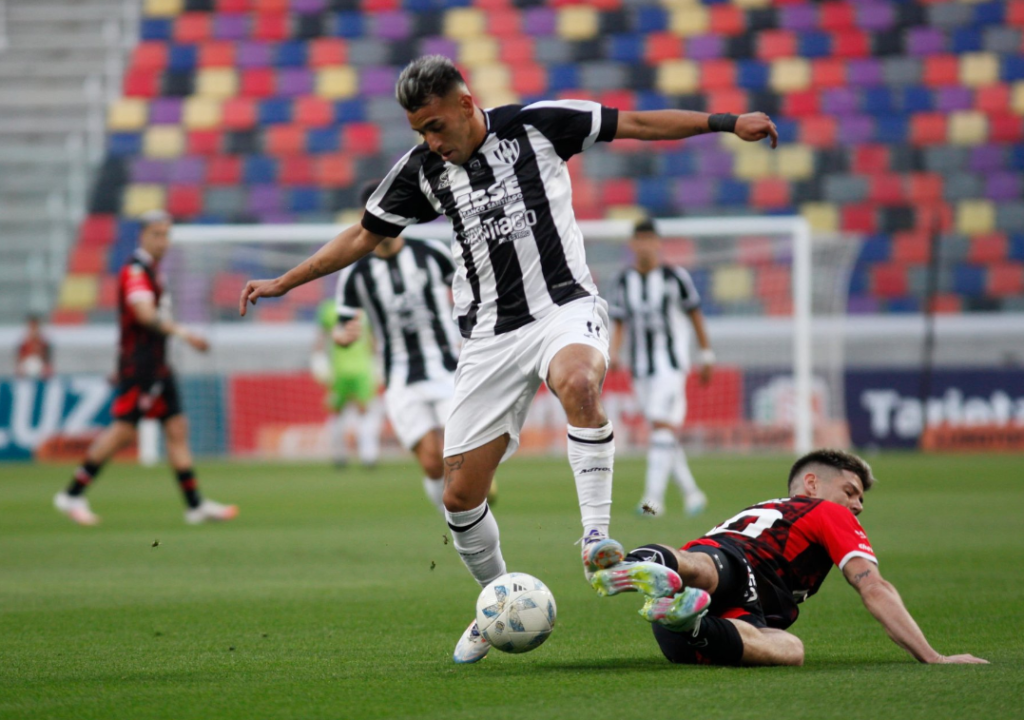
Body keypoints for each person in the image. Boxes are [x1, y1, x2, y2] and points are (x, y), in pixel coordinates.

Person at [238, 55, 778, 664]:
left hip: (564, 310)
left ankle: (596, 537)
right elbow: (362, 235)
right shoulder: (421, 171)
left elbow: (640, 124)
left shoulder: (540, 124)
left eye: (435, 125)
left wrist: (727, 122)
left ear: (466, 104)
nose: (429, 140)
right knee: (460, 496)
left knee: (578, 382)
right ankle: (495, 598)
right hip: (488, 338)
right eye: (419, 131)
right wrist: (287, 281)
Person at [588, 449, 988, 666]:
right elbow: (873, 587)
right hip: (739, 570)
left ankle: (667, 596)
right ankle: (643, 575)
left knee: (790, 648)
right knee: (711, 569)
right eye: (851, 491)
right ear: (812, 484)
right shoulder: (827, 512)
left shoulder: (766, 508)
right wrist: (933, 657)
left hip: (692, 628)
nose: (858, 505)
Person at [54, 210, 237, 526]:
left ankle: (195, 506)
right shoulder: (136, 271)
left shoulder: (154, 271)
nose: (163, 240)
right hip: (140, 365)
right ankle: (71, 494)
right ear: (142, 236)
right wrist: (185, 334)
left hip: (159, 365)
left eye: (166, 233)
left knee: (177, 430)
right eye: (156, 234)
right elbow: (143, 314)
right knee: (123, 432)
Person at [329, 181, 462, 510]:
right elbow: (342, 326)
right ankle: (456, 528)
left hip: (448, 370)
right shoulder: (356, 273)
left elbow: (470, 291)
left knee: (459, 459)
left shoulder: (432, 254)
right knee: (431, 462)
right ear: (365, 217)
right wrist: (342, 338)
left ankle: (468, 503)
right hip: (400, 378)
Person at [609, 220, 714, 518]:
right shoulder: (623, 281)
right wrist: (614, 353)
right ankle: (692, 493)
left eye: (649, 239)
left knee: (661, 425)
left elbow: (695, 314)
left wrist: (706, 355)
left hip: (671, 365)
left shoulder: (675, 277)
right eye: (638, 239)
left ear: (658, 243)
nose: (643, 245)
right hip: (640, 368)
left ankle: (652, 501)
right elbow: (618, 321)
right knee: (661, 432)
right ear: (632, 244)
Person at [313, 297, 382, 468]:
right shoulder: (329, 308)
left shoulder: (364, 307)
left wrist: (378, 361)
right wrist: (318, 359)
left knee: (359, 410)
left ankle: (367, 455)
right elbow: (322, 338)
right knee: (343, 411)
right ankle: (344, 455)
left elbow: (373, 339)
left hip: (360, 369)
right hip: (342, 370)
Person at [15, 314, 53, 379]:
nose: (33, 329)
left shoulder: (43, 342)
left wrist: (47, 366)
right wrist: (20, 366)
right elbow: (20, 357)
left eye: (35, 326)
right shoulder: (24, 342)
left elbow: (47, 358)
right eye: (31, 326)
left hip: (40, 367)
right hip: (26, 367)